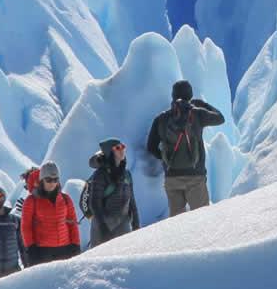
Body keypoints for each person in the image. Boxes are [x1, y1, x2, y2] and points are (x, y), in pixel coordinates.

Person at [146, 80, 225, 216]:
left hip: (172, 178)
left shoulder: (162, 118)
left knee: (177, 225)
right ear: (190, 95)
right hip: (195, 176)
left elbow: (151, 147)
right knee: (203, 218)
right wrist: (202, 105)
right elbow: (220, 118)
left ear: (173, 96)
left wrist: (166, 159)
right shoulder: (197, 114)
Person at [20, 162, 81, 265]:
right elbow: (26, 227)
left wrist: (75, 245)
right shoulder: (31, 201)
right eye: (48, 180)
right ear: (41, 180)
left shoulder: (66, 199)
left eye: (55, 179)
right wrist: (31, 248)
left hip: (65, 250)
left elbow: (72, 224)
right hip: (42, 252)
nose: (52, 183)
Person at [85, 138, 140, 247]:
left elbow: (132, 201)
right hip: (103, 225)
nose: (122, 150)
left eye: (123, 146)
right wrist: (102, 227)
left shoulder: (127, 174)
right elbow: (95, 203)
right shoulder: (100, 175)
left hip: (123, 223)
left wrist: (136, 224)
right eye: (118, 148)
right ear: (109, 152)